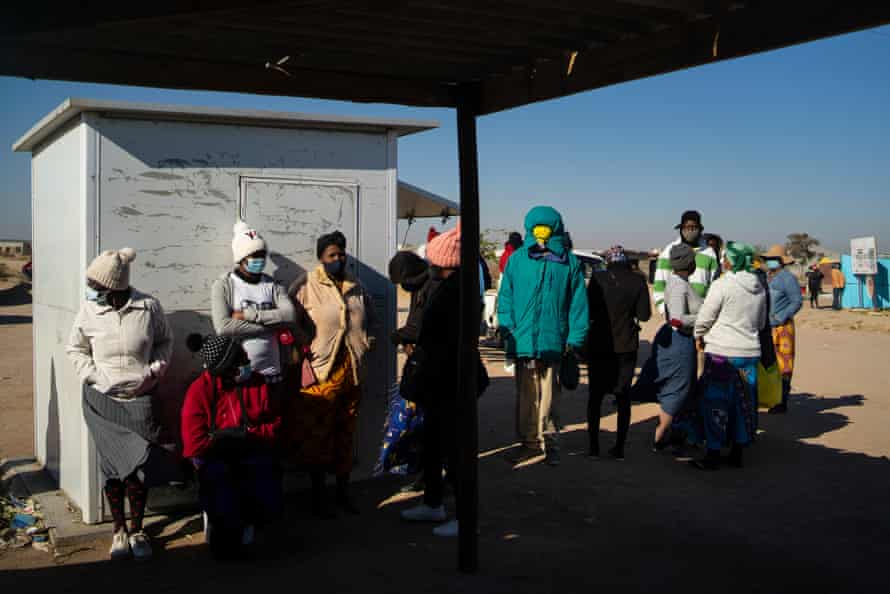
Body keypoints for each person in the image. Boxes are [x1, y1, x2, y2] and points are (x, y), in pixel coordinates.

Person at [66, 248, 175, 561]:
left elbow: (165, 341)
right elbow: (75, 349)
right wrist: (92, 376)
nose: (91, 291)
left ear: (114, 286)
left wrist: (155, 370)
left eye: (96, 286)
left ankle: (138, 530)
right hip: (103, 401)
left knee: (139, 469)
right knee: (113, 468)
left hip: (140, 399)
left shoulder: (148, 306)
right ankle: (118, 530)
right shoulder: (88, 310)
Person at [288, 230, 375, 517]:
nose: (337, 259)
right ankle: (317, 496)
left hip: (352, 372)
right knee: (317, 436)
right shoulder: (307, 285)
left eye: (341, 254)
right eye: (331, 255)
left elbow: (370, 317)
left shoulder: (356, 285)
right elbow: (289, 318)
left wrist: (366, 341)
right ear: (321, 258)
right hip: (321, 373)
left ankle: (342, 491)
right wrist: (301, 344)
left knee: (345, 434)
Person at [497, 206, 588, 466]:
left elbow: (578, 306)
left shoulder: (569, 262)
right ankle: (528, 443)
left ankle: (550, 443)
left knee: (550, 396)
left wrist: (574, 340)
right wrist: (507, 327)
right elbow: (506, 298)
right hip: (523, 341)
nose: (541, 232)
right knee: (526, 395)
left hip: (554, 342)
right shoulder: (518, 260)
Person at [182, 335, 283, 559]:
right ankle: (226, 531)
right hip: (215, 456)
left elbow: (273, 424)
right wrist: (225, 440)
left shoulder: (256, 383)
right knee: (221, 487)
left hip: (253, 449)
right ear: (225, 369)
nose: (245, 365)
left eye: (245, 358)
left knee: (265, 479)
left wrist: (250, 435)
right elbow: (194, 444)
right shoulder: (199, 391)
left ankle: (255, 523)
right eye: (239, 361)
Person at [399, 223, 470, 537]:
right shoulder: (444, 288)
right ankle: (433, 502)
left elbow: (437, 335)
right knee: (433, 443)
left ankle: (465, 517)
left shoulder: (456, 293)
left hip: (449, 379)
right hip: (436, 378)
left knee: (453, 448)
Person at [691, 242, 767, 470]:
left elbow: (705, 316)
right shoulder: (760, 287)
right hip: (749, 355)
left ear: (731, 261)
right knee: (743, 404)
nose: (723, 261)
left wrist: (698, 334)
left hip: (722, 354)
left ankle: (713, 452)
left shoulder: (722, 285)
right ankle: (737, 451)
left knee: (716, 403)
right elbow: (762, 322)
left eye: (726, 258)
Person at [630, 244, 702, 452]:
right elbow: (678, 319)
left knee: (678, 388)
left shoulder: (677, 281)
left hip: (678, 340)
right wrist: (704, 317)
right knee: (677, 389)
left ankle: (674, 433)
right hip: (679, 341)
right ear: (690, 263)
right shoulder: (679, 285)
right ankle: (661, 436)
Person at [376, 251, 438, 483]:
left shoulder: (430, 286)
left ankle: (430, 479)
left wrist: (397, 336)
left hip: (430, 368)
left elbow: (418, 327)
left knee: (424, 425)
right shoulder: (422, 285)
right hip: (423, 365)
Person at [211, 221, 296, 385]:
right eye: (254, 255)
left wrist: (248, 315)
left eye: (262, 255)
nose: (260, 260)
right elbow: (223, 327)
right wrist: (272, 325)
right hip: (241, 378)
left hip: (273, 375)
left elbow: (290, 315)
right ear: (241, 258)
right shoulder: (224, 285)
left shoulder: (272, 285)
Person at [586, 246, 651, 459]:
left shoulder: (598, 278)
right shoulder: (638, 280)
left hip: (599, 344)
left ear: (608, 261)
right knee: (623, 397)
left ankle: (593, 447)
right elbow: (644, 315)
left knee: (595, 397)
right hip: (626, 345)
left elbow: (588, 310)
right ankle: (619, 448)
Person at [652, 210, 719, 315]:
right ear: (680, 229)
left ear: (700, 229)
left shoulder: (709, 253)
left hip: (701, 319)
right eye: (687, 228)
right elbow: (659, 286)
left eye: (694, 227)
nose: (690, 231)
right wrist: (665, 312)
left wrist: (706, 315)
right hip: (674, 318)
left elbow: (714, 288)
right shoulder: (669, 251)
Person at [762, 246, 803, 414]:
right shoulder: (767, 278)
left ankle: (781, 400)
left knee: (784, 364)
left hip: (782, 327)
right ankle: (771, 397)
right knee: (769, 363)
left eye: (773, 259)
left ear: (780, 262)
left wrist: (781, 317)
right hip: (767, 327)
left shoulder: (788, 279)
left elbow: (797, 301)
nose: (769, 262)